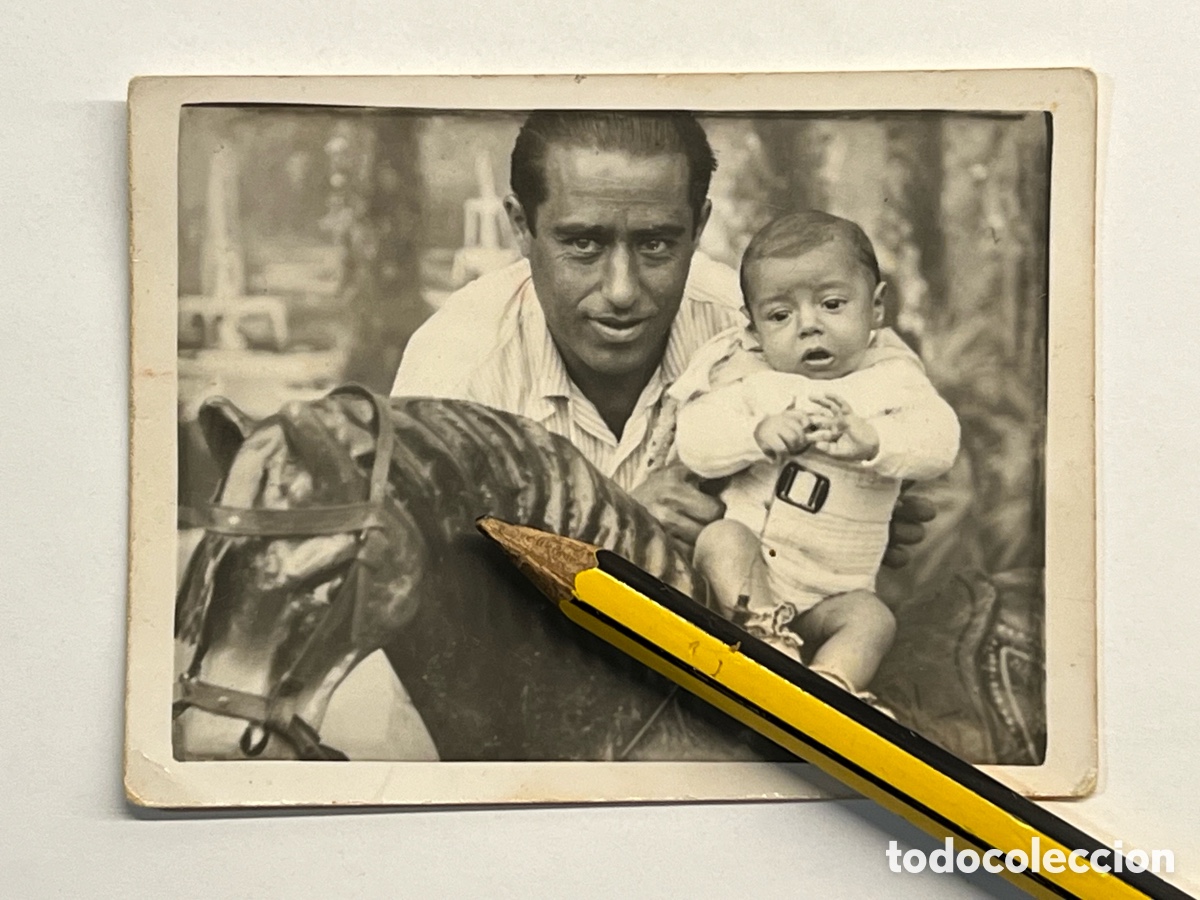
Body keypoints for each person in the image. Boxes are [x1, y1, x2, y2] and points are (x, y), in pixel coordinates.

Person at [392, 110, 934, 557]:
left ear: (698, 227)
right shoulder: (455, 365)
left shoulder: (753, 326)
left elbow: (892, 451)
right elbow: (422, 585)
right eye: (584, 244)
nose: (622, 290)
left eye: (656, 244)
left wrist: (866, 511)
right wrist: (614, 530)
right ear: (521, 227)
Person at [673, 210, 960, 698]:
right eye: (780, 316)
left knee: (873, 620)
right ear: (754, 328)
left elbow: (941, 441)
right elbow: (695, 440)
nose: (809, 327)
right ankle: (767, 646)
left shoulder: (895, 379)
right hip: (756, 573)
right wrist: (756, 434)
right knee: (721, 540)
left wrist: (875, 442)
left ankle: (832, 689)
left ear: (876, 307)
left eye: (831, 304)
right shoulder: (751, 379)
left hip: (836, 592)